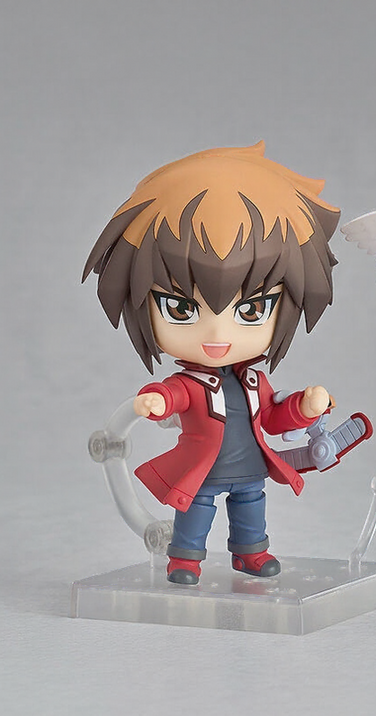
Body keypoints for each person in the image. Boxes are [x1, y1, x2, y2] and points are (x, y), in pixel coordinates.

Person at [83, 142, 340, 584]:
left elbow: (273, 417)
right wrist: (155, 402)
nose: (218, 334)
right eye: (181, 309)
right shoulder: (192, 384)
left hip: (250, 470)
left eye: (252, 309)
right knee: (196, 511)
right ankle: (185, 559)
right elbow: (171, 395)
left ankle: (251, 554)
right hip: (202, 472)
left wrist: (304, 407)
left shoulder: (253, 380)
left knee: (251, 510)